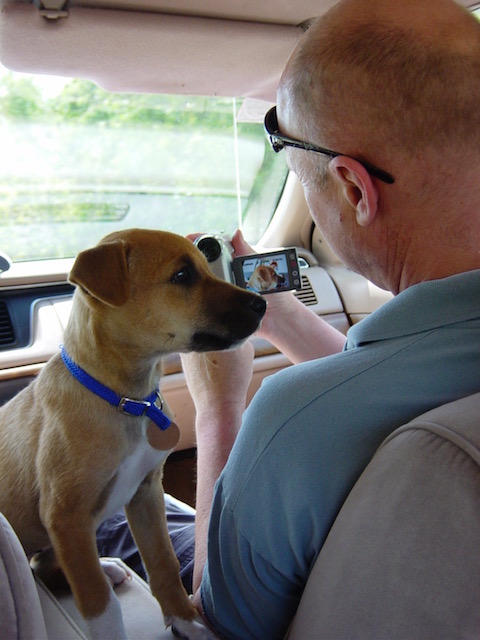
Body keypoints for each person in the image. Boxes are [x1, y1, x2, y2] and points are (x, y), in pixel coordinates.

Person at [100, 0, 480, 637]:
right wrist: (282, 321)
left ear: (354, 189)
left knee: (107, 517)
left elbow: (210, 625)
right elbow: (402, 386)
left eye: (292, 158)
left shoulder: (289, 425)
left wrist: (221, 410)